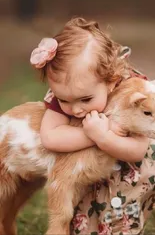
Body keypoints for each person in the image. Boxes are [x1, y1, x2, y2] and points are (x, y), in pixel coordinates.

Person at [30, 17, 150, 234]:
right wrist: (92, 134)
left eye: (85, 99)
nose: (75, 110)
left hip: (125, 179)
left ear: (111, 81)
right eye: (64, 100)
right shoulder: (66, 95)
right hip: (86, 177)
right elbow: (50, 137)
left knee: (121, 226)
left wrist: (106, 139)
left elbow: (138, 150)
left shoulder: (128, 97)